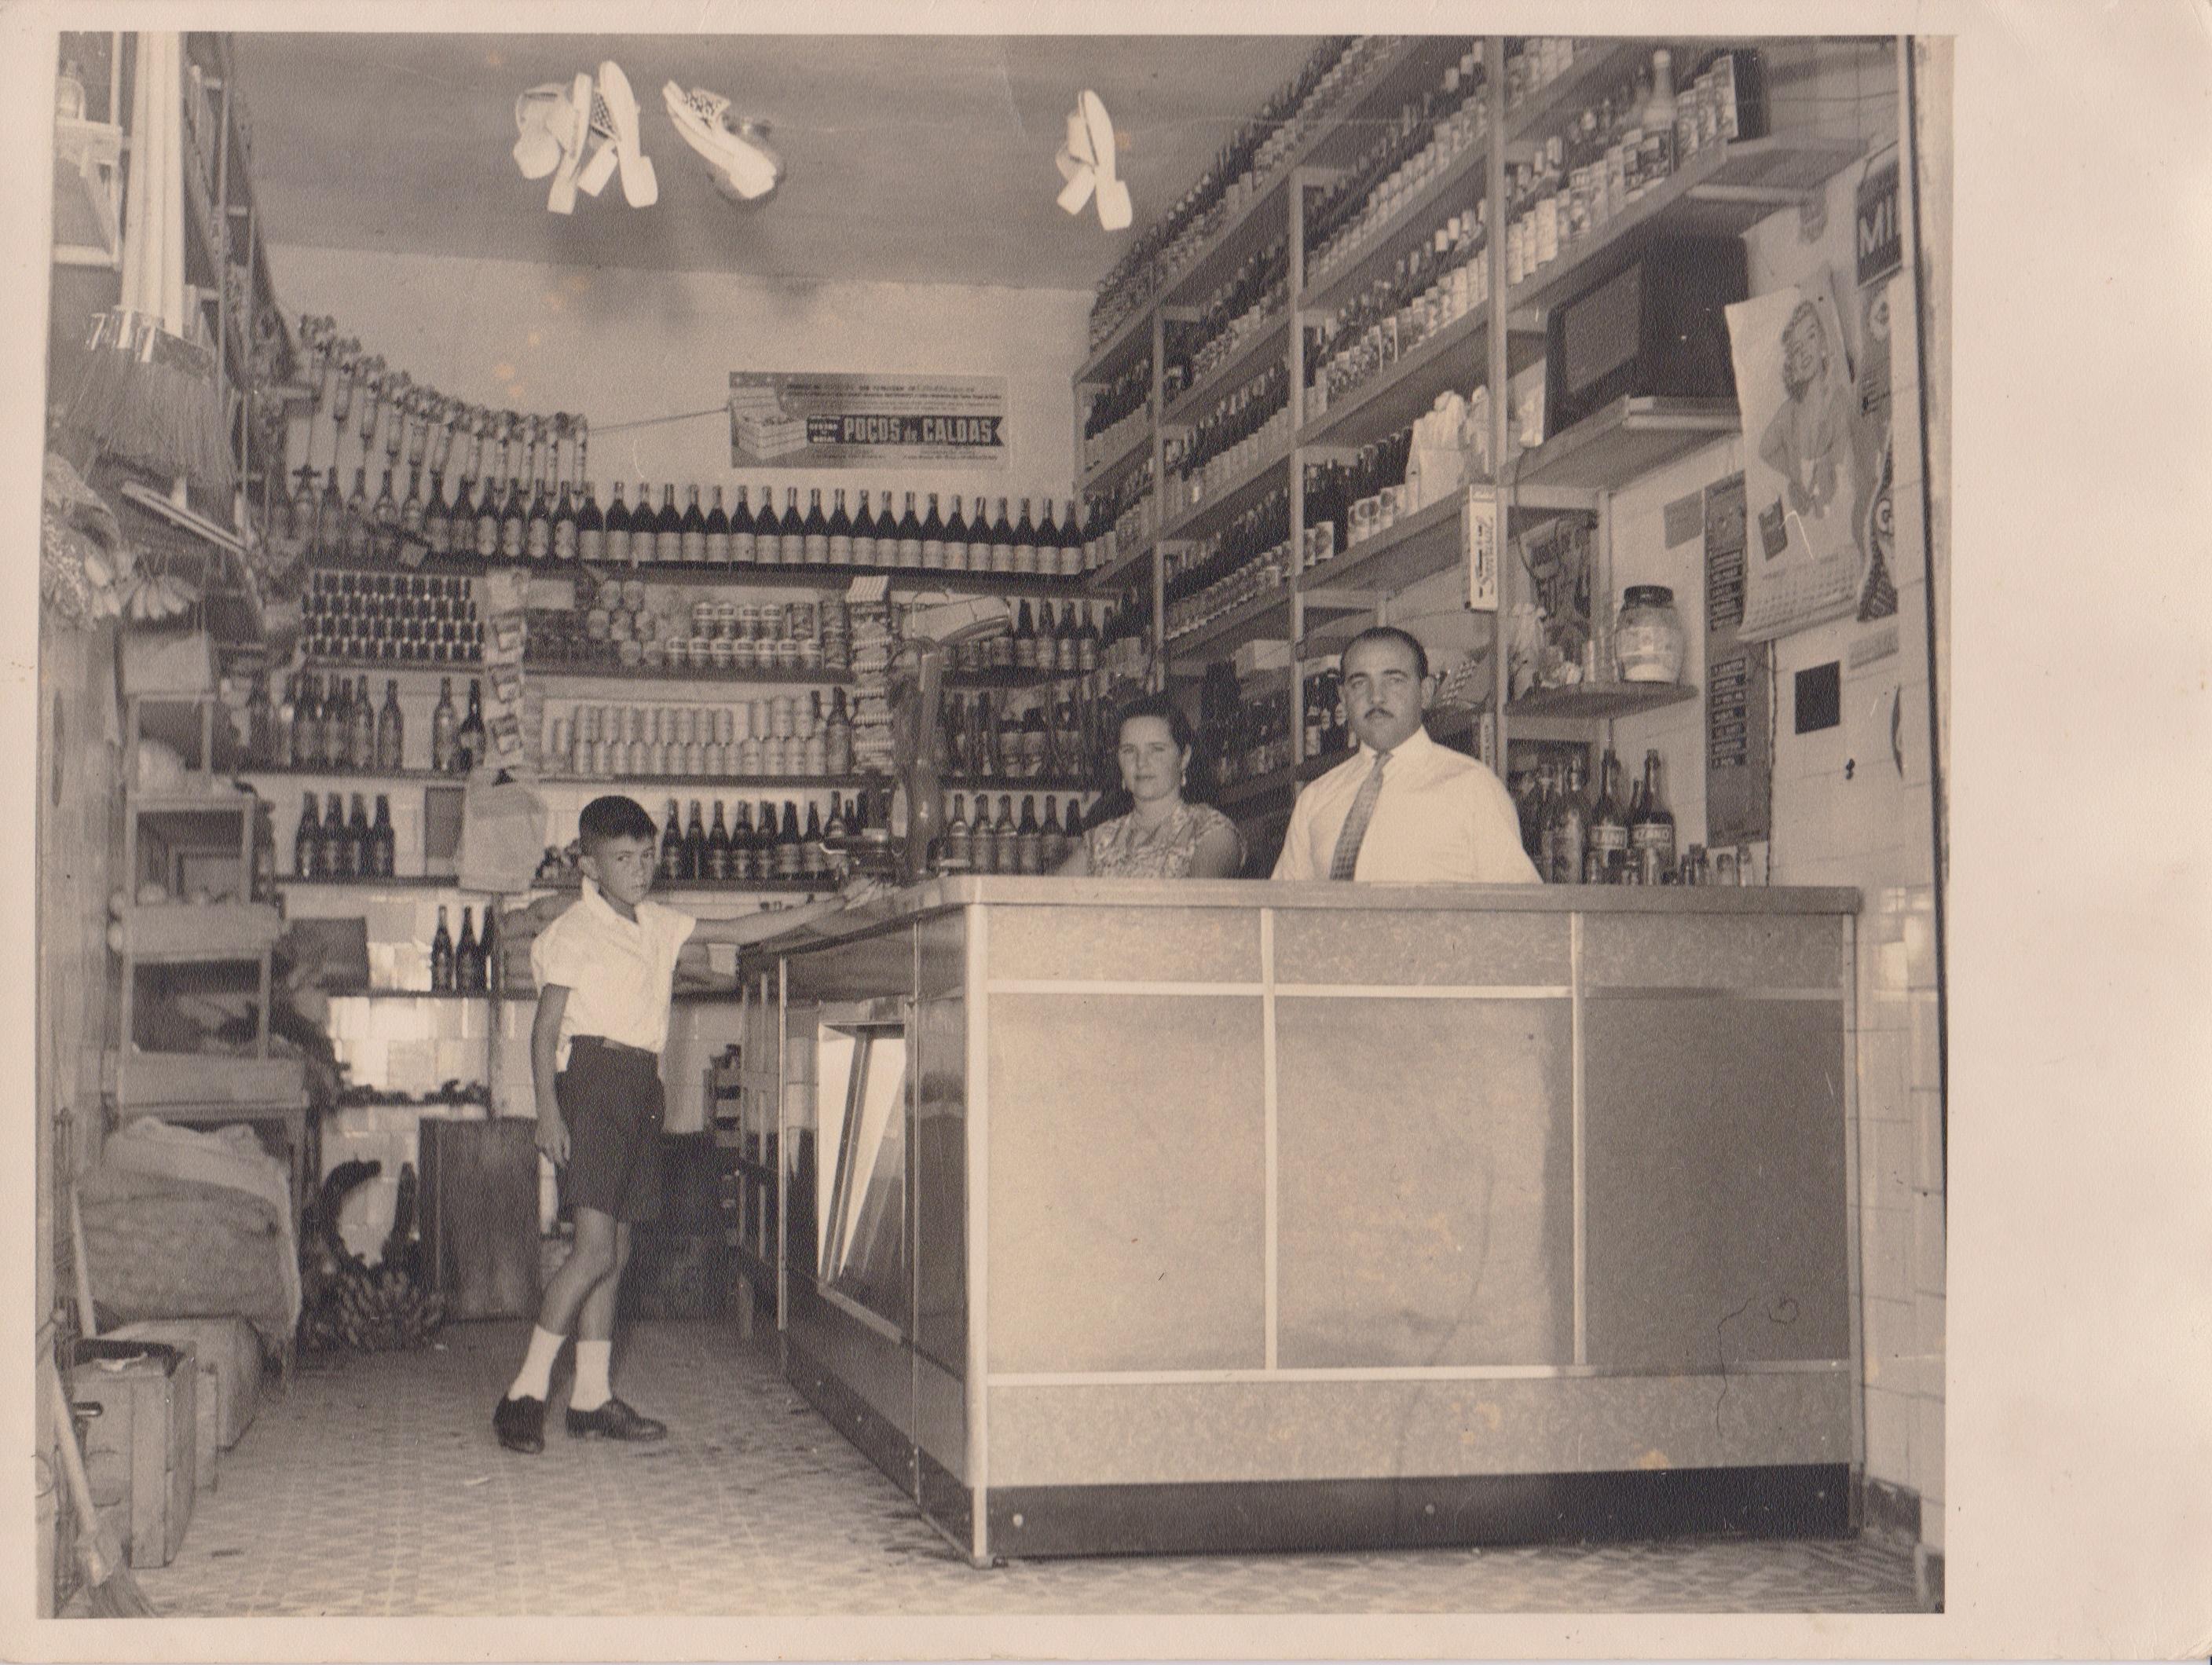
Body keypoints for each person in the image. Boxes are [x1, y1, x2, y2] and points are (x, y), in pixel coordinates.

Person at [493, 795, 881, 1455]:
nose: (639, 869)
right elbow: (543, 1031)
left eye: (647, 856)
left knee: (617, 1251)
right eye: (623, 859)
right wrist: (548, 1111)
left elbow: (742, 929)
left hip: (640, 1083)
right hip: (591, 1082)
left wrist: (832, 905)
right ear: (590, 866)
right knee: (592, 1250)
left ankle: (590, 1398)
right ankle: (523, 1395)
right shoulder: (571, 933)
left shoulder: (655, 923)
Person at [1273, 627, 1539, 884]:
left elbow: (1521, 908)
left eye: (1394, 680)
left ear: (1425, 692)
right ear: (1343, 697)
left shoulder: (1473, 789)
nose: (1376, 697)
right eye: (1359, 683)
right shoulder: (1315, 800)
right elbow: (1282, 909)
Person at [1057, 693, 1244, 879]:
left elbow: (1200, 896)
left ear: (1184, 757)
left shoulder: (1211, 830)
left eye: (1156, 749)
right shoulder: (1098, 840)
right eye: (1129, 751)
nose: (1141, 762)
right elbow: (1046, 895)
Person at [1758, 297, 1856, 524]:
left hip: (1844, 521)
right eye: (1796, 349)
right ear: (1791, 365)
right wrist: (1792, 479)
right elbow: (1764, 449)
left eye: (1811, 336)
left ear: (1822, 342)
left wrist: (1828, 465)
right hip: (1806, 532)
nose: (1804, 352)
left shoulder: (1838, 401)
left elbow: (1843, 459)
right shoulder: (1788, 413)